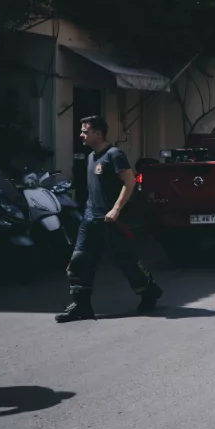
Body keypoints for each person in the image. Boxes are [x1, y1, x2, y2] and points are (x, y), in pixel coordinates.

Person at [56, 116, 163, 323]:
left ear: (98, 133)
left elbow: (129, 182)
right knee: (80, 261)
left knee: (126, 262)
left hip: (112, 221)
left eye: (85, 131)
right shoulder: (90, 157)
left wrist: (116, 209)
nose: (81, 135)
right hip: (90, 219)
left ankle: (148, 291)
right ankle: (81, 306)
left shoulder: (114, 155)